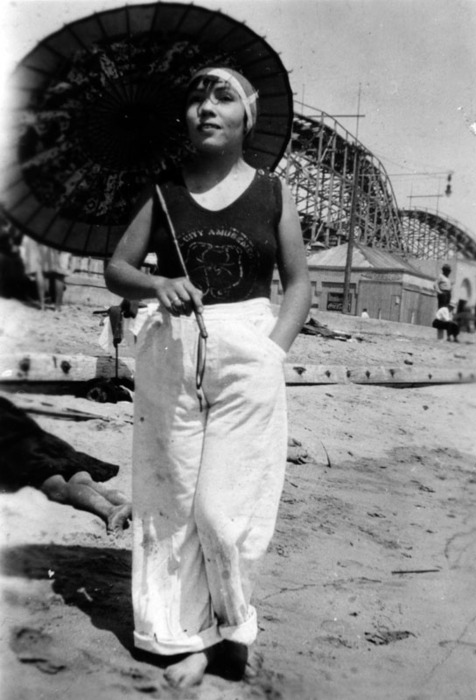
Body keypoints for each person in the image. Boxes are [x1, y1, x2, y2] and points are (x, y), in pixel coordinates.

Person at [104, 66, 311, 688]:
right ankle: (187, 637)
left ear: (248, 117)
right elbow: (116, 268)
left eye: (223, 97)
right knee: (171, 502)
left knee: (224, 512)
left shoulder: (273, 193)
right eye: (195, 97)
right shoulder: (163, 194)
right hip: (172, 350)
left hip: (250, 347)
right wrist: (158, 282)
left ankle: (234, 621)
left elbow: (298, 283)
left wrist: (272, 351)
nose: (206, 107)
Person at [0, 396, 131, 533]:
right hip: (50, 443)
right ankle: (126, 503)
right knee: (84, 481)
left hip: (21, 449)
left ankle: (110, 511)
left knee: (58, 489)